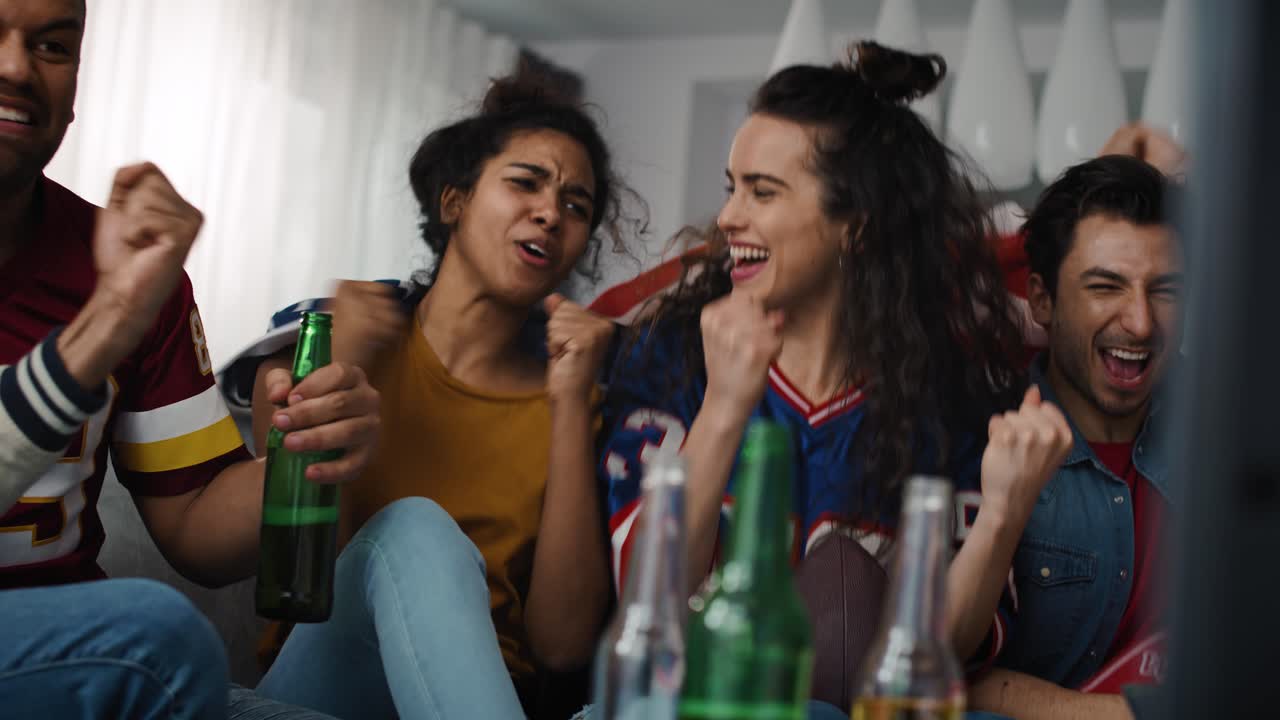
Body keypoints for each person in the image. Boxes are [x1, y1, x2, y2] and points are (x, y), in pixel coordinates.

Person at [597, 42, 1073, 719]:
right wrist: (726, 405)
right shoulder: (669, 357)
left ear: (856, 225)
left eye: (763, 192)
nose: (728, 217)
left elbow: (941, 647)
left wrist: (1003, 511)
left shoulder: (948, 405)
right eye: (732, 188)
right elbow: (648, 607)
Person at [0, 1, 380, 717]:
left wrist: (305, 447)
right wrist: (106, 324)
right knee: (158, 637)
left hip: (83, 669)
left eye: (52, 46)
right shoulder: (122, 294)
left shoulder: (124, 264)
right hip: (119, 652)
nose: (17, 67)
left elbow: (196, 526)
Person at [227, 75, 640, 719]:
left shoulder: (574, 398)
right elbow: (300, 583)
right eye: (525, 182)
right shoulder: (320, 345)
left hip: (491, 695)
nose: (550, 213)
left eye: (576, 205)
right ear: (454, 201)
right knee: (415, 529)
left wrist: (568, 404)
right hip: (323, 693)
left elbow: (561, 646)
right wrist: (343, 367)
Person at [968, 154, 1182, 720]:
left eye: (1165, 290)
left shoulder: (1229, 435)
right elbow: (939, 673)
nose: (1140, 322)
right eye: (1106, 286)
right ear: (1042, 301)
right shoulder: (974, 438)